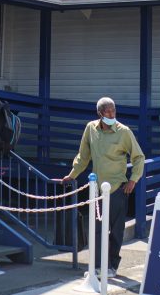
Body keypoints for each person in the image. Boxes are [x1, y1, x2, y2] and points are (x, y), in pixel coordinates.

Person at [60, 97, 145, 278]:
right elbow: (83, 156)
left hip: (117, 188)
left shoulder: (124, 132)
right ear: (99, 113)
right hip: (96, 189)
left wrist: (133, 180)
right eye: (107, 112)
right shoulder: (91, 129)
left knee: (115, 230)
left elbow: (138, 157)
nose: (111, 114)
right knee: (97, 229)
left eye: (113, 111)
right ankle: (98, 266)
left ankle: (112, 265)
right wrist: (72, 174)